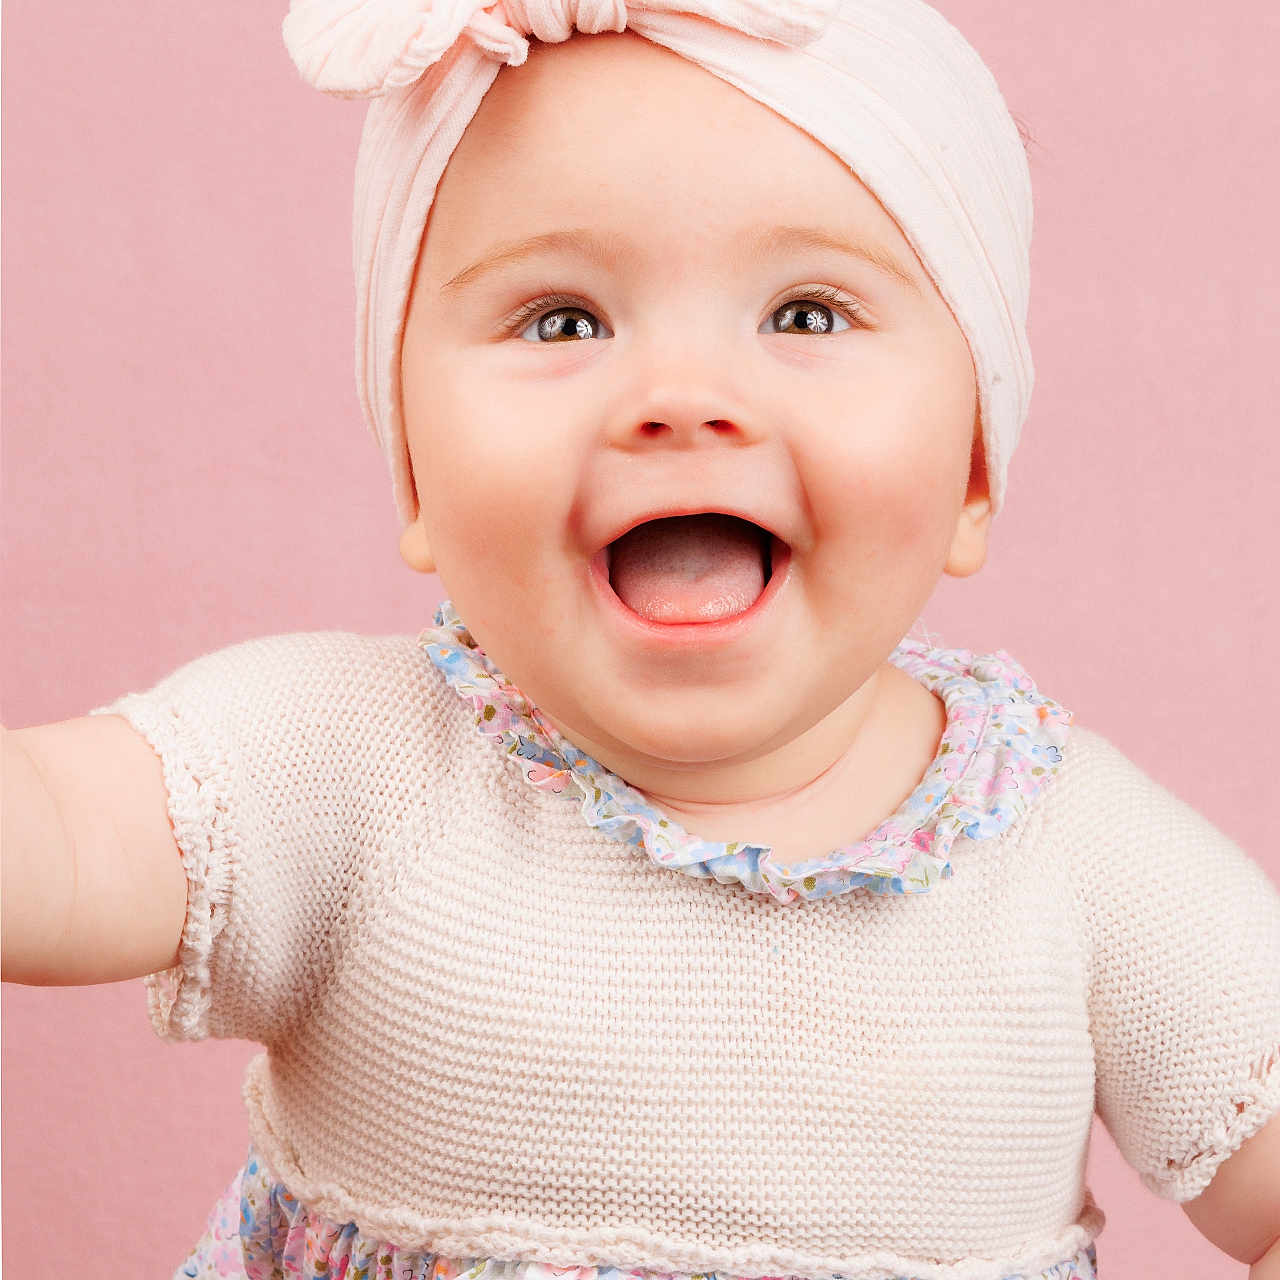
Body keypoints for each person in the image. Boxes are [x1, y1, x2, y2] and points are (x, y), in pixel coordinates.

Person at [4, 1, 1280, 1277]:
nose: (679, 397)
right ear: (411, 476)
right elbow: (52, 831)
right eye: (561, 320)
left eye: (806, 314)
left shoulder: (1079, 863)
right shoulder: (342, 765)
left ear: (972, 472)